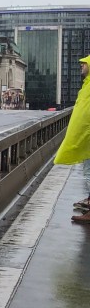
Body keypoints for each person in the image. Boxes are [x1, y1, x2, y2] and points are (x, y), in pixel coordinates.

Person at [55, 54, 90, 222]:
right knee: (88, 170)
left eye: (85, 63)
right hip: (86, 136)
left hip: (88, 135)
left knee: (89, 172)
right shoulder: (87, 85)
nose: (81, 66)